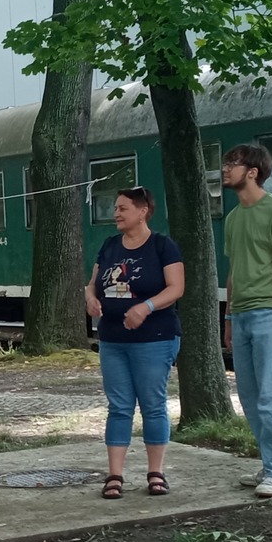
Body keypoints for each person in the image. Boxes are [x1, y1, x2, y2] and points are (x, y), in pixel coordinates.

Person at [86, 186, 184, 498]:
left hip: (154, 339)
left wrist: (146, 307)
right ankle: (115, 476)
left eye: (122, 208)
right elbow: (93, 284)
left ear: (142, 212)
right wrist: (90, 297)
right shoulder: (110, 245)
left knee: (152, 405)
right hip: (113, 340)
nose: (116, 213)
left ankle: (156, 473)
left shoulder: (162, 246)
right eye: (116, 208)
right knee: (119, 407)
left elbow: (176, 288)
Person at [221, 142, 272, 498]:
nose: (225, 169)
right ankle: (271, 465)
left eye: (233, 163)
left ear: (252, 172)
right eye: (225, 163)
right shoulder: (233, 218)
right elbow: (233, 271)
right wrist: (228, 316)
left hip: (271, 313)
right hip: (241, 315)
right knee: (252, 398)